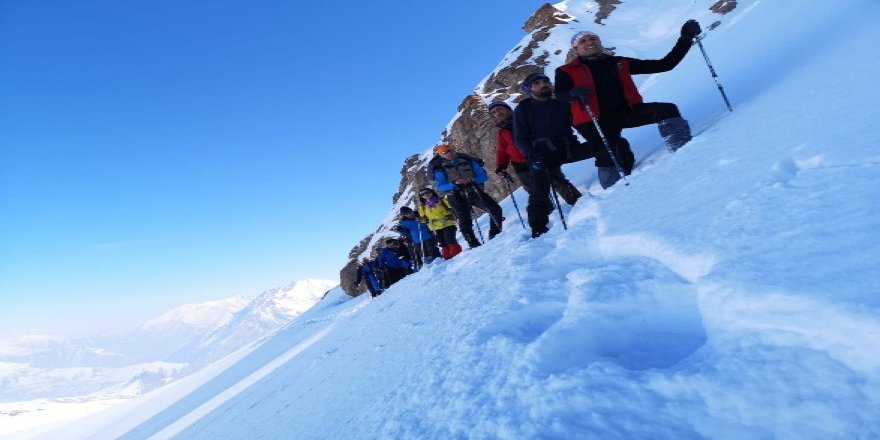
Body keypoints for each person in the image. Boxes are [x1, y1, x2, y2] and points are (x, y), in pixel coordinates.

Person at [555, 20, 702, 189]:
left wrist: (685, 39)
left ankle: (683, 150)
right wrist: (572, 93)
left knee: (666, 110)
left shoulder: (619, 62)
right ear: (576, 49)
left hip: (626, 111)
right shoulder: (565, 71)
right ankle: (613, 191)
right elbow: (560, 94)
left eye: (593, 38)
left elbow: (665, 64)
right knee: (609, 154)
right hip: (593, 120)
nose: (590, 42)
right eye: (583, 41)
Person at [511, 72, 586, 238]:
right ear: (529, 89)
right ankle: (538, 229)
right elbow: (520, 138)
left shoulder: (562, 102)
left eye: (545, 81)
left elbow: (577, 121)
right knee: (539, 192)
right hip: (542, 155)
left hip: (568, 148)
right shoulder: (524, 108)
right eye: (537, 83)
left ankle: (611, 190)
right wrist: (532, 155)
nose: (543, 84)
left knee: (606, 148)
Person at [491, 100, 582, 206]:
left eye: (499, 109)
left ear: (508, 109)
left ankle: (578, 204)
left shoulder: (524, 119)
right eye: (493, 112)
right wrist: (501, 166)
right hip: (521, 165)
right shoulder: (502, 132)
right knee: (534, 192)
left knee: (558, 181)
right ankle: (546, 214)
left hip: (539, 156)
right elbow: (502, 150)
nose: (497, 113)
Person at [427, 144, 503, 247]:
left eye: (451, 151)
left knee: (495, 209)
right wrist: (454, 183)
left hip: (474, 190)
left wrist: (472, 179)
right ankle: (473, 243)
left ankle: (495, 234)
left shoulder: (469, 161)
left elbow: (483, 176)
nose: (449, 154)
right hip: (455, 195)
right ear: (440, 155)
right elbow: (439, 187)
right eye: (445, 153)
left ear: (454, 150)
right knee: (465, 221)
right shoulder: (439, 169)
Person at [417, 187, 463, 260]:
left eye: (427, 192)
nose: (425, 195)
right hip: (435, 227)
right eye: (422, 194)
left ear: (431, 192)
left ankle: (457, 255)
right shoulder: (423, 207)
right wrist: (419, 219)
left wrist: (455, 197)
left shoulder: (442, 200)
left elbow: (452, 205)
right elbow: (424, 218)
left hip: (447, 223)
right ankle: (448, 257)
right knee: (443, 243)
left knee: (450, 240)